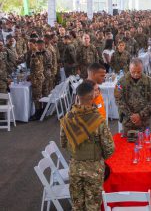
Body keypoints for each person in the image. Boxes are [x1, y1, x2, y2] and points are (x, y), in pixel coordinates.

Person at [60, 81, 114, 211]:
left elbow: (63, 143)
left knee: (77, 206)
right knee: (93, 206)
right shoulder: (98, 120)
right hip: (94, 169)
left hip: (75, 167)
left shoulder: (67, 118)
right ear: (92, 97)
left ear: (77, 97)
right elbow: (109, 148)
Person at [114, 58, 151, 133]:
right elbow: (118, 99)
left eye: (139, 72)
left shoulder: (149, 81)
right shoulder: (121, 82)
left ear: (142, 69)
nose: (136, 74)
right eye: (133, 72)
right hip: (128, 120)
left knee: (145, 142)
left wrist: (140, 115)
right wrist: (131, 115)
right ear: (129, 69)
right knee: (127, 143)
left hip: (144, 120)